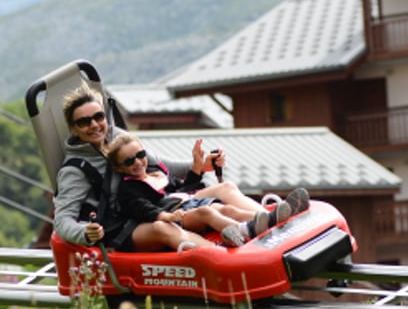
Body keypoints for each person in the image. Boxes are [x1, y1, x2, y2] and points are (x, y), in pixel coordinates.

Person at [52, 84, 307, 253]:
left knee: (226, 188)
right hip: (126, 223)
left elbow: (158, 163)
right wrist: (85, 233)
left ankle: (275, 224)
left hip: (160, 201)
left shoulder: (117, 137)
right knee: (166, 228)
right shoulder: (75, 171)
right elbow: (62, 221)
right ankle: (223, 258)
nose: (95, 125)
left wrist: (199, 165)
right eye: (84, 122)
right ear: (73, 128)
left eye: (98, 117)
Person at [105, 131, 266, 248]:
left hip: (182, 205)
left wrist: (197, 168)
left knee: (223, 208)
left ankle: (264, 219)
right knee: (207, 212)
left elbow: (183, 190)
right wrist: (167, 216)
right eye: (129, 161)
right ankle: (243, 232)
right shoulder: (128, 188)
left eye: (140, 154)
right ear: (119, 168)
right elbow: (143, 208)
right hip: (174, 214)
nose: (138, 162)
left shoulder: (156, 173)